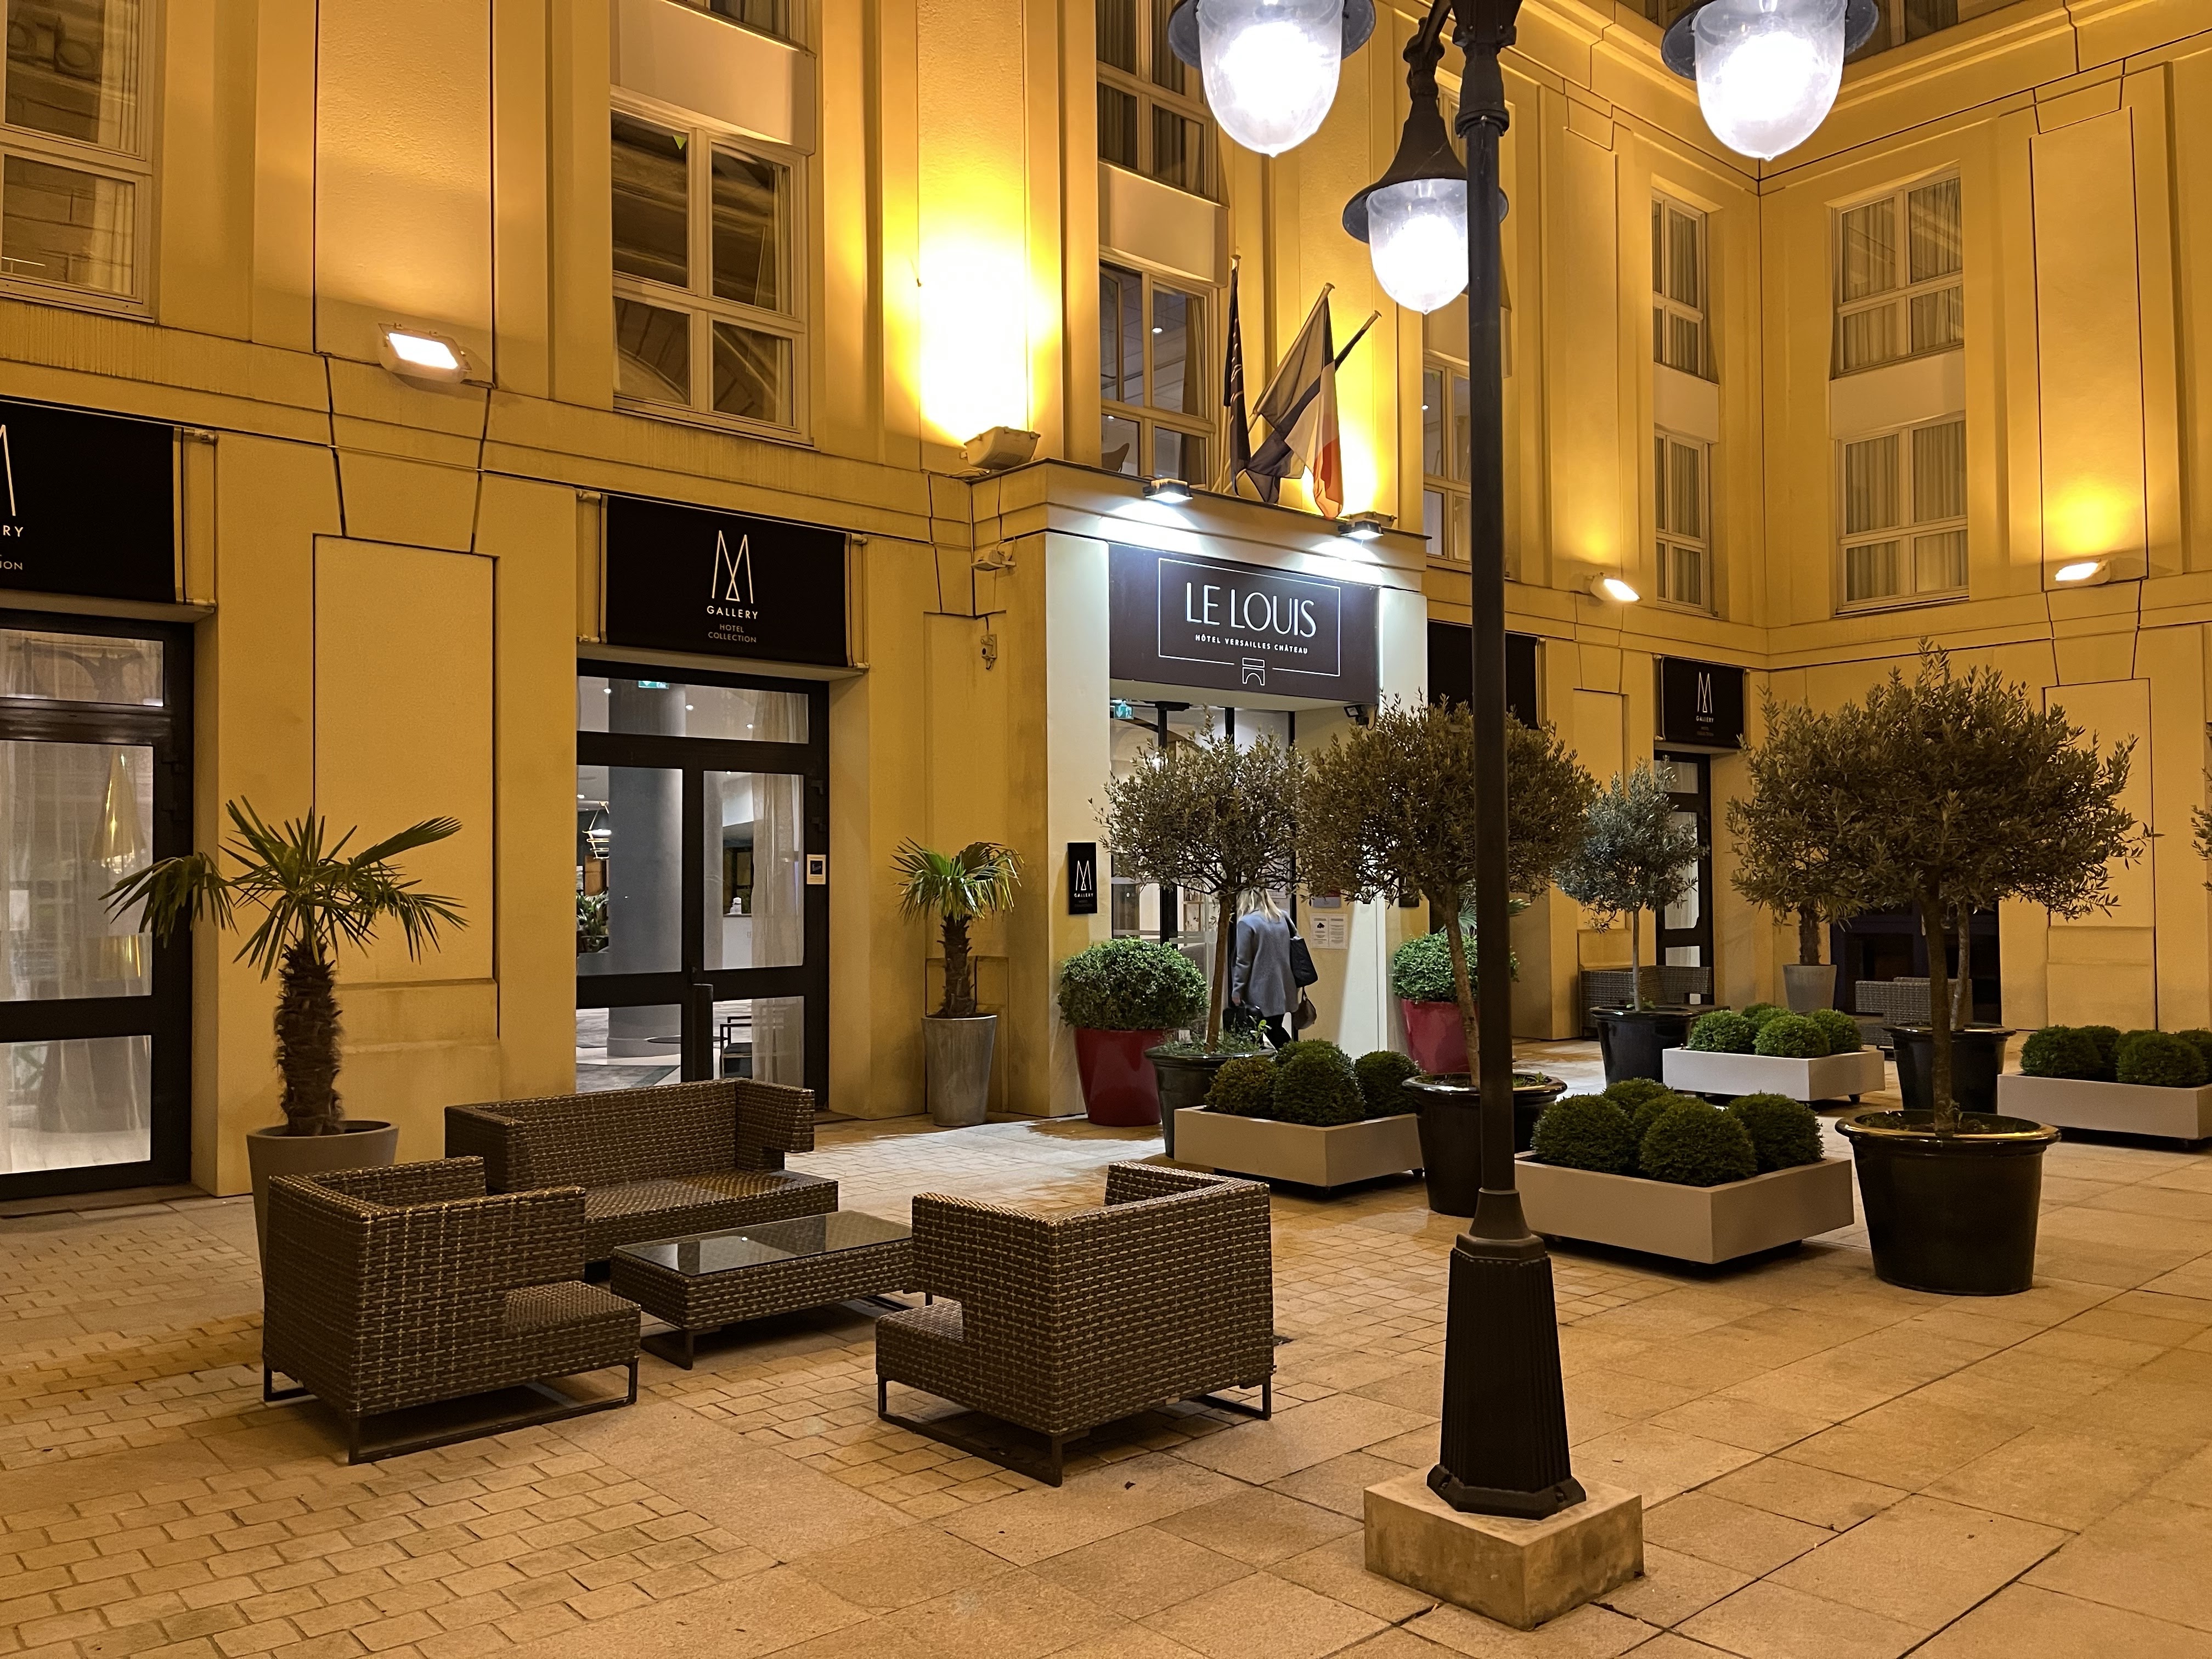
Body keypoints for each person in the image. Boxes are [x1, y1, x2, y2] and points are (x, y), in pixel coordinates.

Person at [1231, 891, 1295, 1048]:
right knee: (1275, 1028)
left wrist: (1237, 991)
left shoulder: (1247, 923)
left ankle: (1293, 1057)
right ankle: (1294, 1057)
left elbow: (1243, 962)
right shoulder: (1283, 917)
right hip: (1283, 987)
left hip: (1259, 990)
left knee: (1256, 1034)